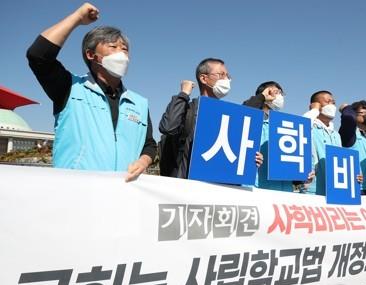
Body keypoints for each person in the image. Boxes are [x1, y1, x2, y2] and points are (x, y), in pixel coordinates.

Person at [26, 3, 156, 182]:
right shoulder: (70, 87)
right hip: (77, 193)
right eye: (113, 47)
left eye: (125, 48)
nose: (122, 53)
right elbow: (38, 55)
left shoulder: (139, 103)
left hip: (125, 193)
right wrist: (77, 18)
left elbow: (149, 144)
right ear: (90, 55)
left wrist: (143, 161)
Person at [159, 58, 262, 179]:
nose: (226, 79)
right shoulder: (189, 109)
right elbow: (168, 127)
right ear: (203, 78)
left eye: (228, 76)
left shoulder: (228, 116)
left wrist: (252, 158)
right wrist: (183, 94)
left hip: (219, 187)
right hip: (187, 185)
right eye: (221, 75)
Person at [243, 81, 292, 192]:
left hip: (282, 188)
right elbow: (243, 112)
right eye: (276, 92)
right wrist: (261, 97)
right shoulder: (251, 118)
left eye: (281, 93)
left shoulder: (285, 125)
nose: (279, 96)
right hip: (255, 185)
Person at [339, 100, 366, 194]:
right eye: (364, 113)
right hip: (359, 188)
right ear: (354, 114)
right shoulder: (349, 135)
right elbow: (348, 117)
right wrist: (345, 108)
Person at [303, 91, 341, 195]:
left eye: (333, 102)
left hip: (334, 190)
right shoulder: (309, 127)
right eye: (327, 102)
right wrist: (314, 110)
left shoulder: (336, 135)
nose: (332, 105)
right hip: (313, 189)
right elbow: (299, 126)